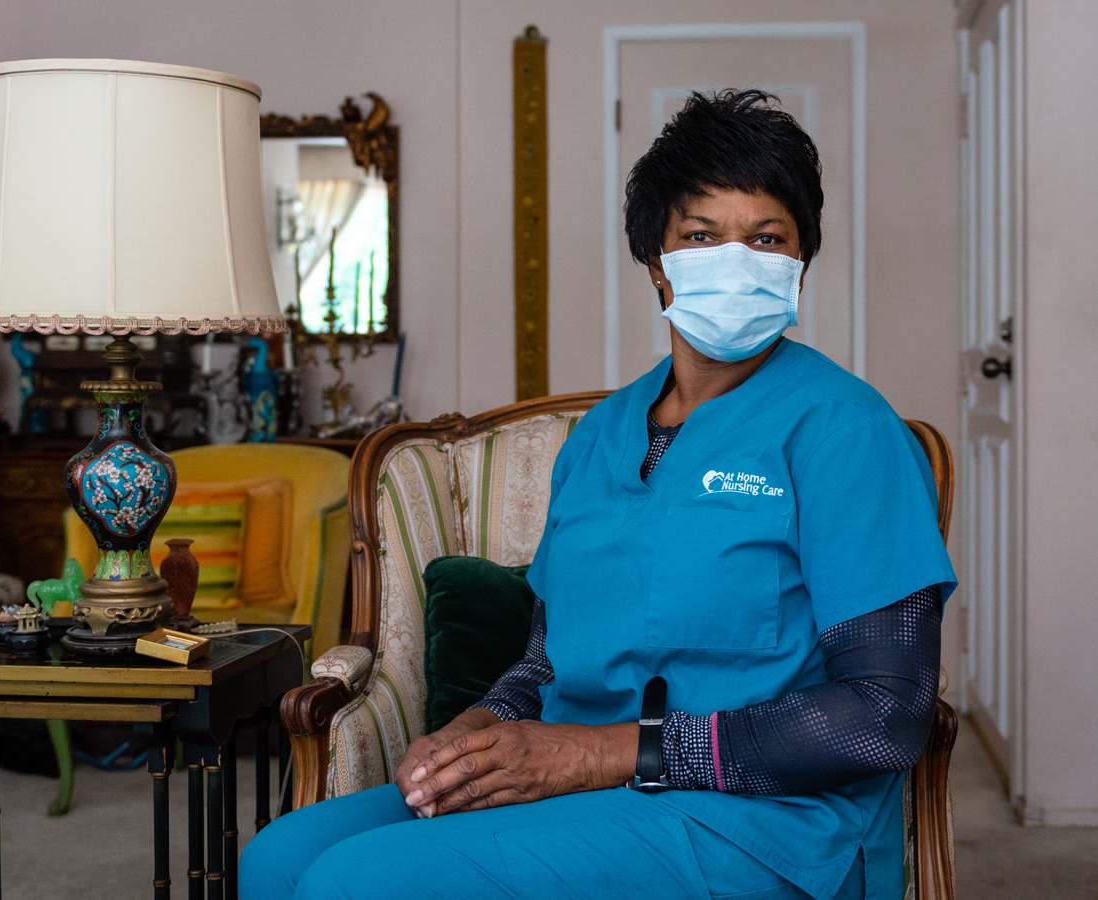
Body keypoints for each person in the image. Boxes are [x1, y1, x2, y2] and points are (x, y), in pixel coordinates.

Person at [241, 90, 956, 900]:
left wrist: (598, 754)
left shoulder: (847, 430)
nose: (736, 260)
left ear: (800, 261)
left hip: (765, 823)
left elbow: (886, 712)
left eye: (767, 238)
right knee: (279, 858)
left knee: (353, 881)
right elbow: (546, 658)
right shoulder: (600, 436)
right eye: (701, 235)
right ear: (656, 261)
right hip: (583, 791)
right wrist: (478, 729)